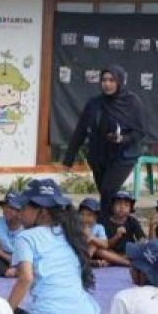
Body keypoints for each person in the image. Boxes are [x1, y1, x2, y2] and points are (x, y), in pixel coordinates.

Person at [8, 180, 100, 314]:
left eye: (23, 208)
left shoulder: (26, 237)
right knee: (42, 311)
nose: (18, 213)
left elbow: (25, 279)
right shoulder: (72, 234)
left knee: (7, 313)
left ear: (42, 212)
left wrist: (3, 313)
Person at [62, 64, 145, 222]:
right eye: (104, 80)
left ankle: (103, 226)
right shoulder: (94, 103)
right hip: (98, 155)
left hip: (124, 156)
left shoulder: (132, 102)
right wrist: (69, 157)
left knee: (107, 191)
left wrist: (122, 139)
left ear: (120, 81)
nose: (107, 84)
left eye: (112, 80)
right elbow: (80, 130)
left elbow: (139, 132)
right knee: (107, 195)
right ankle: (115, 227)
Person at [0, 191, 25, 277]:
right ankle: (9, 272)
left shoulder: (26, 226)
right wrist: (9, 259)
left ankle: (14, 271)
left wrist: (15, 261)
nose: (6, 210)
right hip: (2, 256)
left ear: (19, 211)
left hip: (21, 257)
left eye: (11, 208)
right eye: (5, 207)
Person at [102, 190, 144, 260]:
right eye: (118, 204)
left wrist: (141, 243)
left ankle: (118, 260)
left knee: (143, 247)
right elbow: (106, 245)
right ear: (112, 207)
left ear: (131, 208)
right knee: (101, 250)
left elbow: (141, 238)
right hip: (111, 252)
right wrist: (117, 236)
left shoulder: (132, 221)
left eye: (126, 205)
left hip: (128, 253)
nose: (122, 207)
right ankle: (122, 261)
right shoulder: (105, 222)